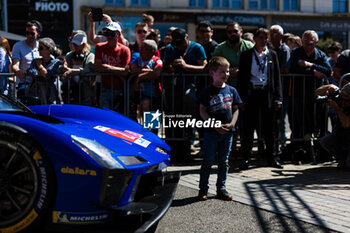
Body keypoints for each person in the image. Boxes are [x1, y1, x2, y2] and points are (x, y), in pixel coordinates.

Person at [237, 28, 283, 170]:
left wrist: (278, 98)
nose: (263, 41)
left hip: (267, 94)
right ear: (255, 39)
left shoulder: (272, 55)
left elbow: (276, 78)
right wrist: (241, 99)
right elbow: (241, 78)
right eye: (261, 37)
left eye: (265, 38)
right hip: (251, 94)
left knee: (269, 128)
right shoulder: (246, 55)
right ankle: (246, 157)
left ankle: (271, 157)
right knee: (249, 127)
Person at [198, 56, 241, 201]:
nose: (226, 74)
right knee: (208, 161)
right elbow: (202, 110)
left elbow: (235, 109)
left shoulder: (232, 90)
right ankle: (203, 188)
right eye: (222, 72)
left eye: (227, 71)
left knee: (224, 161)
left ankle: (221, 187)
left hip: (227, 133)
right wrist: (214, 125)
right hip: (211, 132)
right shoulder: (207, 91)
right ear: (212, 73)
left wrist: (232, 123)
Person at [290, 30, 332, 139]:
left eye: (311, 40)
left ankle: (317, 146)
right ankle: (299, 146)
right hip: (299, 93)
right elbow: (293, 68)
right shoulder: (296, 52)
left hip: (316, 93)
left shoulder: (320, 54)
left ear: (316, 42)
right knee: (299, 122)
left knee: (317, 121)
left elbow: (328, 71)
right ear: (302, 41)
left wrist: (311, 65)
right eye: (306, 40)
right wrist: (313, 72)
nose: (309, 42)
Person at [94, 22, 131, 111]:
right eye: (107, 33)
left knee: (120, 118)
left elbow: (126, 71)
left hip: (121, 90)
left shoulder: (125, 50)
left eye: (112, 34)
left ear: (118, 35)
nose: (109, 37)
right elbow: (97, 67)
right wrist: (118, 70)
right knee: (106, 118)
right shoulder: (99, 47)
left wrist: (106, 67)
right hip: (105, 89)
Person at [317, 83, 350, 169]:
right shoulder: (338, 96)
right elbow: (317, 93)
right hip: (343, 135)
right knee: (325, 141)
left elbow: (346, 124)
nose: (343, 102)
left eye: (347, 101)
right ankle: (343, 158)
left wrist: (337, 108)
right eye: (342, 99)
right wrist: (329, 87)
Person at [213, 21, 254, 88]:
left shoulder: (250, 46)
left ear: (241, 32)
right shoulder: (220, 48)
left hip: (247, 86)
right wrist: (228, 71)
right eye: (229, 32)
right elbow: (213, 65)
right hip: (227, 87)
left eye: (235, 31)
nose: (232, 34)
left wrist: (241, 70)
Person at [269, 25, 291, 151]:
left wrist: (269, 70)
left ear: (281, 36)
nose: (271, 37)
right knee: (272, 119)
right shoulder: (269, 48)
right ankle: (273, 145)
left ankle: (281, 144)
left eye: (274, 34)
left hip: (282, 90)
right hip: (270, 90)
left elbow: (285, 69)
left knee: (281, 119)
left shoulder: (284, 49)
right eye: (270, 34)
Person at [130, 39, 162, 120]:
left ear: (152, 51)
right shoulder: (137, 57)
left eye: (144, 48)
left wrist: (140, 76)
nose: (140, 49)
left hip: (154, 95)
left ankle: (151, 132)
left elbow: (156, 73)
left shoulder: (157, 60)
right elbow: (132, 69)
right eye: (141, 47)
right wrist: (148, 71)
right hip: (139, 95)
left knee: (153, 122)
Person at [26, 37, 62, 105]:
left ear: (49, 49)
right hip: (35, 91)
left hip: (49, 92)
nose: (38, 50)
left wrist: (40, 66)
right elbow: (31, 72)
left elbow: (47, 74)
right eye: (38, 48)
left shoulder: (55, 62)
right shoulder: (35, 61)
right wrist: (41, 72)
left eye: (41, 48)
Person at [61, 33, 95, 104]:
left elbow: (88, 69)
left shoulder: (90, 56)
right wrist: (63, 67)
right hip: (71, 92)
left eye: (77, 44)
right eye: (74, 44)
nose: (75, 46)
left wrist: (71, 71)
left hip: (85, 92)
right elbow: (63, 68)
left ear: (84, 44)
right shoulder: (69, 55)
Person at [11, 20, 42, 86]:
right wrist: (18, 70)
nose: (29, 35)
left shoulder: (42, 46)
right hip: (24, 84)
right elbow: (15, 64)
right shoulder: (18, 46)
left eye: (32, 33)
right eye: (27, 33)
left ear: (38, 34)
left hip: (39, 85)